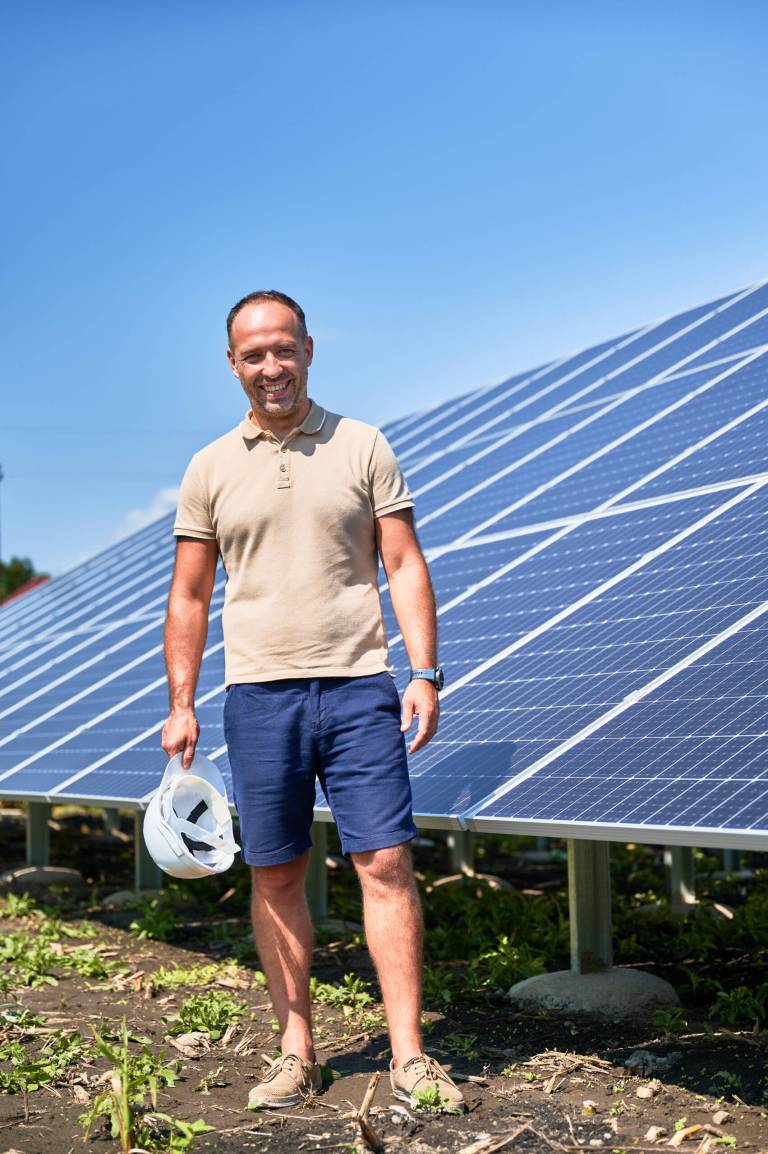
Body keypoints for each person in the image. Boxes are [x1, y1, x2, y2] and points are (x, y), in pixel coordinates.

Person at [160, 290, 464, 1113]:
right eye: (254, 354)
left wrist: (424, 671)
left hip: (361, 689)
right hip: (258, 697)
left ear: (309, 350)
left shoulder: (363, 445)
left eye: (283, 349)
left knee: (387, 865)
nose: (271, 367)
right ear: (233, 364)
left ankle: (409, 1056)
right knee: (277, 873)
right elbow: (189, 595)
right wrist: (181, 702)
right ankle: (296, 1053)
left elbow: (403, 564)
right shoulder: (210, 468)